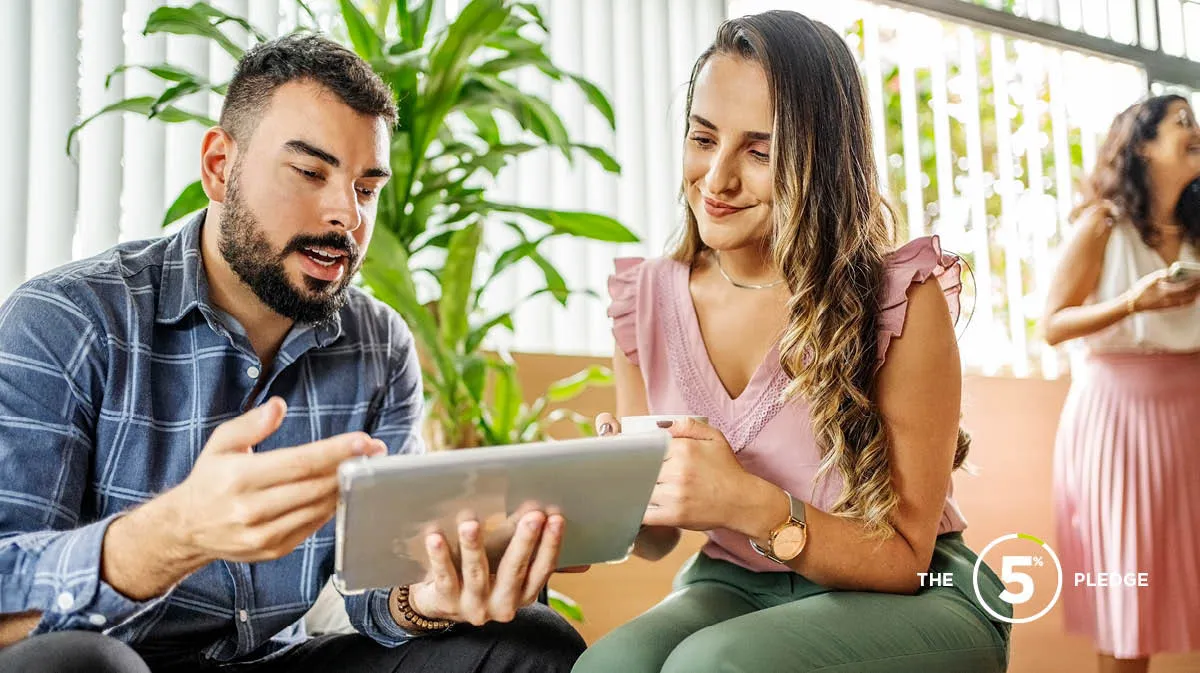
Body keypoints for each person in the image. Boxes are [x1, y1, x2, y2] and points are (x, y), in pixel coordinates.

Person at [0, 34, 585, 673]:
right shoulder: (68, 319)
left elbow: (375, 588)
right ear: (221, 166)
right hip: (121, 658)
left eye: (366, 187)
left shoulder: (379, 346)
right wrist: (174, 535)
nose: (346, 215)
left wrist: (426, 596)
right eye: (310, 173)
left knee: (530, 642)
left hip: (276, 662)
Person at [572, 11, 1012, 673]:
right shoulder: (646, 300)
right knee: (605, 668)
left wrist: (748, 501)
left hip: (915, 588)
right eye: (702, 137)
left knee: (713, 666)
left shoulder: (899, 298)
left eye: (759, 150)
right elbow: (659, 533)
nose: (715, 179)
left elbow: (903, 554)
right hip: (733, 584)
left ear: (822, 159)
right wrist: (611, 490)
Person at [1043, 95, 1200, 673]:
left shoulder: (1196, 233)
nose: (1198, 130)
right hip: (1118, 425)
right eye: (1183, 121)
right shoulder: (1103, 226)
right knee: (1128, 597)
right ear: (1141, 144)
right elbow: (1053, 324)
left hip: (1192, 419)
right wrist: (1136, 301)